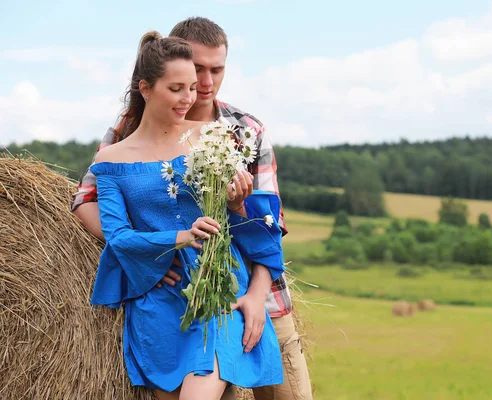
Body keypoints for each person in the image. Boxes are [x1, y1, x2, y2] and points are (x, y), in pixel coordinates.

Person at [72, 17, 312, 400]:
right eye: (193, 71)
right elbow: (85, 201)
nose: (203, 83)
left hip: (250, 291)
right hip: (168, 299)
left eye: (215, 70)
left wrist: (255, 292)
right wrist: (153, 253)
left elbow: (267, 221)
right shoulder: (123, 134)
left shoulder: (238, 131)